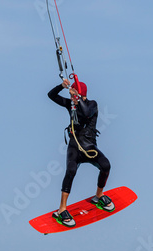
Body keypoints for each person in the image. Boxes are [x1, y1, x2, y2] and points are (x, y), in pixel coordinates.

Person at [47, 78, 114, 227]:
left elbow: (86, 112)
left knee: (106, 165)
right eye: (71, 96)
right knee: (70, 170)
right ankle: (62, 209)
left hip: (88, 146)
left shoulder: (92, 104)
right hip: (74, 147)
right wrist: (61, 86)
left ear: (81, 94)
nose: (71, 98)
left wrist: (77, 98)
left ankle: (99, 196)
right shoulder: (71, 105)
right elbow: (50, 95)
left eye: (74, 95)